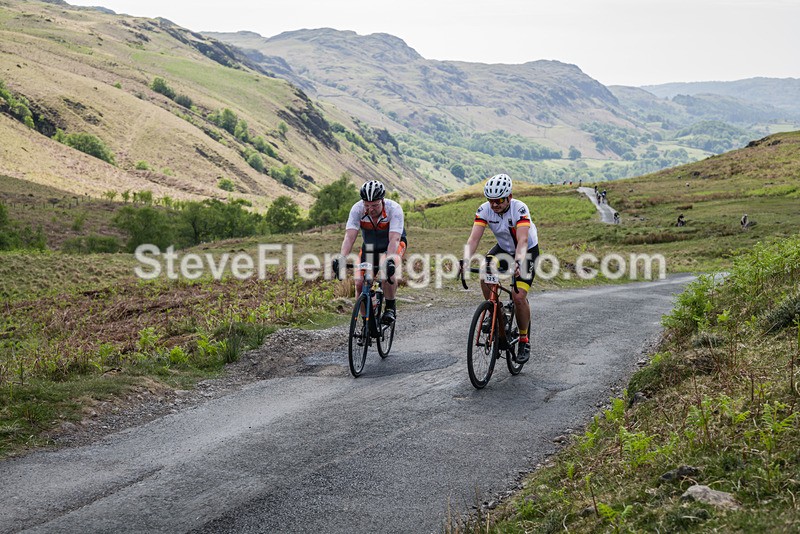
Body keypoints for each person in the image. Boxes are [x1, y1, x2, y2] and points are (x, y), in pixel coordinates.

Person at [461, 174, 539, 364]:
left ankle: (523, 340)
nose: (494, 205)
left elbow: (522, 240)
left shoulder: (519, 209)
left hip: (526, 251)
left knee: (518, 296)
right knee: (484, 271)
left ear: (509, 197)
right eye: (491, 201)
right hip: (503, 249)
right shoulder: (484, 210)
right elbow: (474, 239)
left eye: (499, 201)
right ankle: (494, 311)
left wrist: (519, 263)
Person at [333, 180, 407, 325]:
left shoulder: (394, 209)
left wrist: (389, 260)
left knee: (387, 272)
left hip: (393, 245)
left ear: (382, 201)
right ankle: (366, 322)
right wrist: (342, 257)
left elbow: (394, 239)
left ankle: (390, 308)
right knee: (360, 283)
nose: (370, 209)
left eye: (375, 205)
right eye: (367, 205)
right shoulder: (357, 209)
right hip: (369, 247)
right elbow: (349, 237)